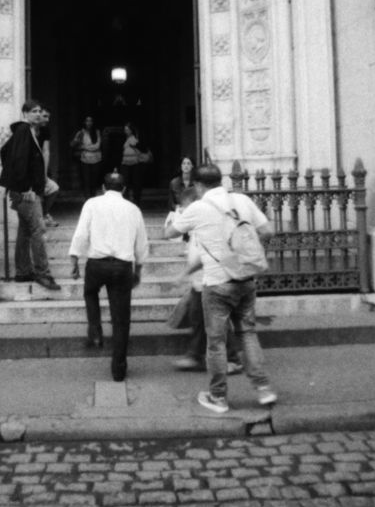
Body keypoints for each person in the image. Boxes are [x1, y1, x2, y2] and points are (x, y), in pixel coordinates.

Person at [164, 162, 276, 414]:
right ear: (220, 180)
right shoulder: (241, 200)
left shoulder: (198, 207)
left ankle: (218, 397)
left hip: (216, 284)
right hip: (246, 279)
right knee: (247, 333)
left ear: (198, 185)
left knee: (216, 342)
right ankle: (264, 389)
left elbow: (169, 233)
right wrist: (244, 250)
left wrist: (177, 216)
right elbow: (268, 231)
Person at [69, 171, 149, 382]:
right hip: (122, 267)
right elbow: (141, 243)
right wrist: (138, 270)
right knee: (121, 320)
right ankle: (119, 367)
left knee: (90, 292)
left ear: (103, 188)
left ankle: (94, 326)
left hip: (97, 264)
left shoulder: (92, 204)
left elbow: (81, 233)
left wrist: (75, 260)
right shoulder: (133, 209)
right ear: (124, 189)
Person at [170, 184, 243, 376]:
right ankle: (196, 355)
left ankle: (231, 358)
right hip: (200, 283)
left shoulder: (204, 225)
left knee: (217, 322)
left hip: (210, 280)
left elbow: (203, 257)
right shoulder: (196, 227)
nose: (183, 211)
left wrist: (184, 273)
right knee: (199, 319)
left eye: (185, 207)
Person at [0, 100, 59, 291]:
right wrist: (25, 188)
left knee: (24, 231)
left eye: (40, 111)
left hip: (24, 190)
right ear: (25, 113)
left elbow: (4, 151)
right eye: (34, 111)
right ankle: (43, 274)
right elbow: (19, 160)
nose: (38, 114)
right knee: (38, 231)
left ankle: (23, 272)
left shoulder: (27, 131)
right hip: (26, 193)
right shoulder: (25, 130)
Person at [70, 116, 103, 197]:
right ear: (84, 122)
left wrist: (84, 147)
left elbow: (97, 146)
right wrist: (79, 144)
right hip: (85, 159)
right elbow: (72, 144)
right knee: (86, 181)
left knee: (94, 181)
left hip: (96, 159)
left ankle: (93, 198)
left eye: (90, 121)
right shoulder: (81, 132)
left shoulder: (97, 132)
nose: (89, 123)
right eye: (87, 121)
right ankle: (87, 199)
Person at [37, 108, 59, 228]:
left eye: (48, 117)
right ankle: (41, 218)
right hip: (31, 168)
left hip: (40, 167)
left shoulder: (45, 130)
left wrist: (44, 174)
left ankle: (44, 215)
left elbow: (46, 151)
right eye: (45, 116)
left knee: (53, 188)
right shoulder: (28, 129)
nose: (47, 119)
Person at [119, 122, 149, 207]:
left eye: (128, 129)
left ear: (131, 130)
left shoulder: (136, 138)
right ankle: (125, 202)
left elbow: (143, 148)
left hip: (135, 164)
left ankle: (137, 202)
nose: (126, 131)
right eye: (125, 130)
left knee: (136, 184)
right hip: (125, 164)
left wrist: (135, 144)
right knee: (125, 183)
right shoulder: (124, 138)